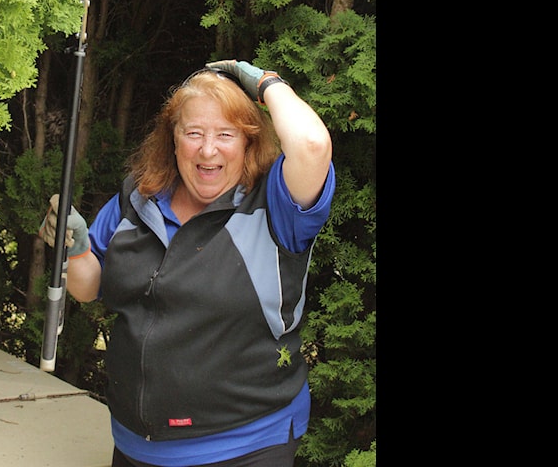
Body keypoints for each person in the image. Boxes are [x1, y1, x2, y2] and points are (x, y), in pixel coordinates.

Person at [40, 59, 336, 467]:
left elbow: (312, 145)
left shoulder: (275, 205)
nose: (208, 149)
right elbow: (89, 287)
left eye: (226, 134)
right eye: (193, 132)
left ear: (249, 141)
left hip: (245, 445)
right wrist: (73, 249)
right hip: (133, 444)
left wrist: (265, 82)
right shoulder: (139, 198)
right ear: (173, 139)